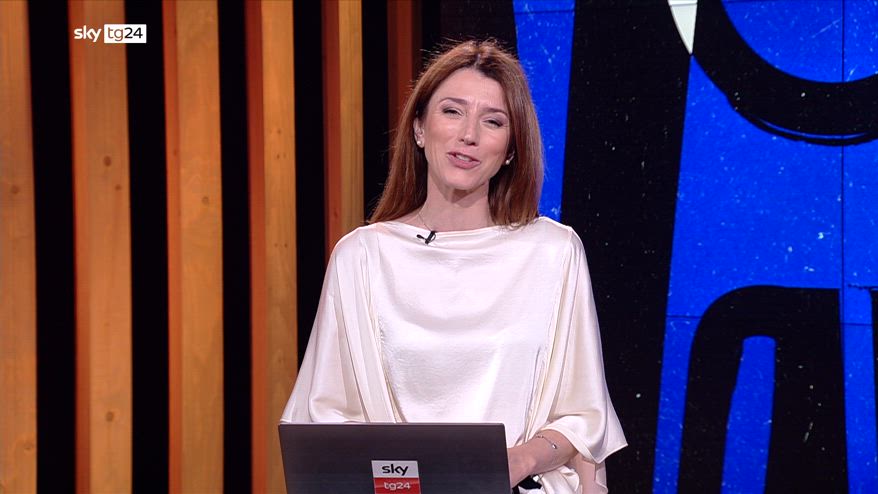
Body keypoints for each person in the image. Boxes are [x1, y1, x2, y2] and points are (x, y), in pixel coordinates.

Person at [281, 39, 626, 493]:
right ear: (419, 128)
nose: (469, 135)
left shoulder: (553, 251)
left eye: (493, 121)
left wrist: (519, 460)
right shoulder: (361, 257)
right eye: (452, 111)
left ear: (510, 149)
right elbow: (324, 420)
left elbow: (584, 415)